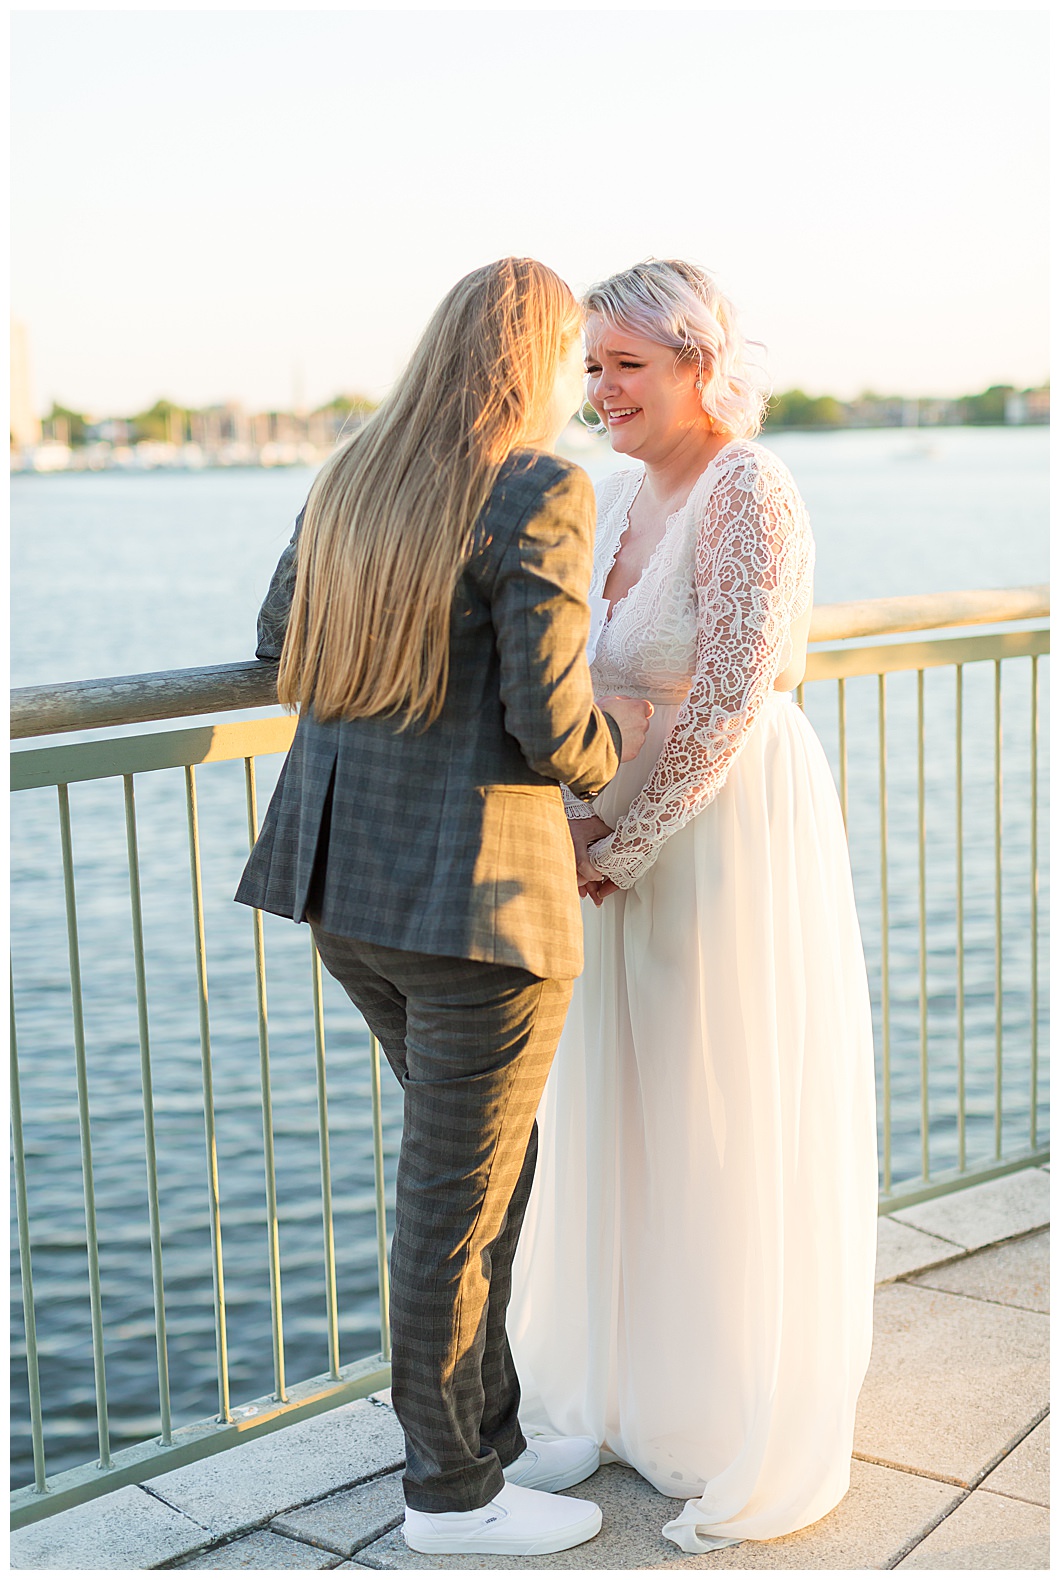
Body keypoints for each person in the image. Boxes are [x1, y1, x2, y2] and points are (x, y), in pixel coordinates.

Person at [235, 257, 652, 1558]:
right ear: (533, 365)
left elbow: (275, 652)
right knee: (457, 1207)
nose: (584, 387)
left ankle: (487, 1445)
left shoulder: (352, 475)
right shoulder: (537, 485)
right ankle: (449, 1498)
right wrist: (617, 749)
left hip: (345, 889)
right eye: (575, 359)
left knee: (477, 1179)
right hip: (480, 912)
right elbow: (545, 717)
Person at [508, 259, 878, 1553]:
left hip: (721, 834)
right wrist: (573, 821)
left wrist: (627, 837)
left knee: (717, 1101)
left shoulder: (752, 490)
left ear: (698, 367)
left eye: (628, 364)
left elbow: (729, 694)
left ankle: (724, 1413)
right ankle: (615, 1390)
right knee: (618, 1104)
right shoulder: (611, 493)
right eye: (591, 365)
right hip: (608, 834)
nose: (601, 389)